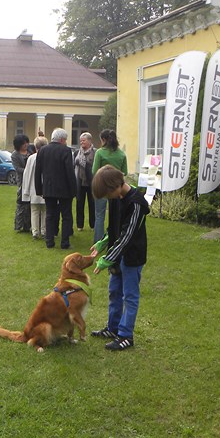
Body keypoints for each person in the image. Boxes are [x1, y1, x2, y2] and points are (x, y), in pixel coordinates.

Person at [89, 164, 150, 351]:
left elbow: (127, 236)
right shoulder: (116, 198)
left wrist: (106, 259)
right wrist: (103, 242)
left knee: (129, 296)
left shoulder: (137, 204)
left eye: (108, 194)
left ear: (116, 186)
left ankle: (125, 335)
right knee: (114, 291)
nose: (108, 198)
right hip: (117, 254)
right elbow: (115, 227)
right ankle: (113, 328)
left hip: (132, 256)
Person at [34, 128, 75, 249]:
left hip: (48, 188)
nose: (66, 142)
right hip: (64, 189)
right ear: (62, 140)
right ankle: (65, 242)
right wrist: (73, 190)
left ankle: (49, 241)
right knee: (66, 216)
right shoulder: (66, 150)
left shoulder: (42, 150)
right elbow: (70, 172)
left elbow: (38, 171)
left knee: (50, 215)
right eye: (65, 140)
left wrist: (39, 189)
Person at [91, 129, 128, 243]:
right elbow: (125, 172)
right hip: (116, 189)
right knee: (116, 216)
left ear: (103, 140)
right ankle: (116, 238)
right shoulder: (121, 154)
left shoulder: (100, 153)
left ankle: (98, 241)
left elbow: (94, 171)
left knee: (99, 215)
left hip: (102, 187)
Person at [22, 136, 48, 239]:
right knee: (45, 211)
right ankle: (44, 231)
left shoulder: (31, 158)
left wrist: (26, 189)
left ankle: (35, 232)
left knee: (35, 211)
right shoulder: (47, 157)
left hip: (33, 188)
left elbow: (26, 174)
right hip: (45, 188)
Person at [74, 132, 96, 232]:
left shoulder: (95, 152)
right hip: (80, 181)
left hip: (91, 182)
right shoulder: (77, 152)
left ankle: (93, 225)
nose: (81, 142)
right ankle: (80, 225)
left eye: (84, 140)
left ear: (89, 141)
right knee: (79, 203)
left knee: (92, 203)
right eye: (81, 141)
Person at [12, 134, 31, 232]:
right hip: (22, 181)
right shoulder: (15, 155)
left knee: (29, 205)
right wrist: (28, 170)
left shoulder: (30, 151)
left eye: (27, 143)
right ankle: (19, 225)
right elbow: (17, 168)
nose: (26, 145)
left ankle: (28, 225)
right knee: (21, 203)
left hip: (31, 181)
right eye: (24, 144)